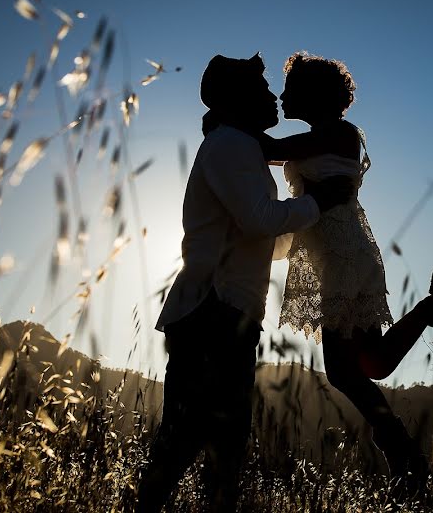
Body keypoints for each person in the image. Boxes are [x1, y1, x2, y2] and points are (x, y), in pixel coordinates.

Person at [260, 51, 433, 488]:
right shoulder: (324, 134)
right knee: (372, 364)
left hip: (345, 260)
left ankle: (404, 454)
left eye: (290, 89)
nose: (281, 96)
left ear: (313, 96)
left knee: (347, 371)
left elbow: (269, 149)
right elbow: (276, 153)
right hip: (343, 258)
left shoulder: (339, 133)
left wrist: (223, 124)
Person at [136, 53, 352, 513]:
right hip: (214, 311)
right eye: (262, 89)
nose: (274, 96)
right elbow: (259, 220)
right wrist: (316, 203)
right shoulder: (232, 144)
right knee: (197, 446)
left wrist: (298, 221)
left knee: (212, 446)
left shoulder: (237, 146)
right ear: (237, 99)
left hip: (227, 313)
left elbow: (265, 238)